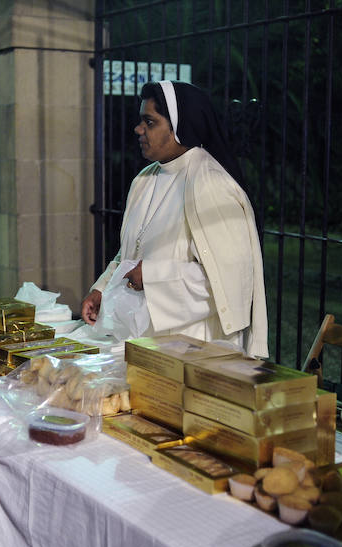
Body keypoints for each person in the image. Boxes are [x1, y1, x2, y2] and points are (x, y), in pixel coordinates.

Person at [80, 80, 268, 357]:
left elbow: (228, 280)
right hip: (143, 335)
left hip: (193, 345)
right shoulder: (145, 180)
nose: (138, 129)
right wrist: (102, 290)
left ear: (180, 126)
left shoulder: (211, 184)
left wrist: (153, 277)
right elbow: (130, 251)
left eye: (150, 122)